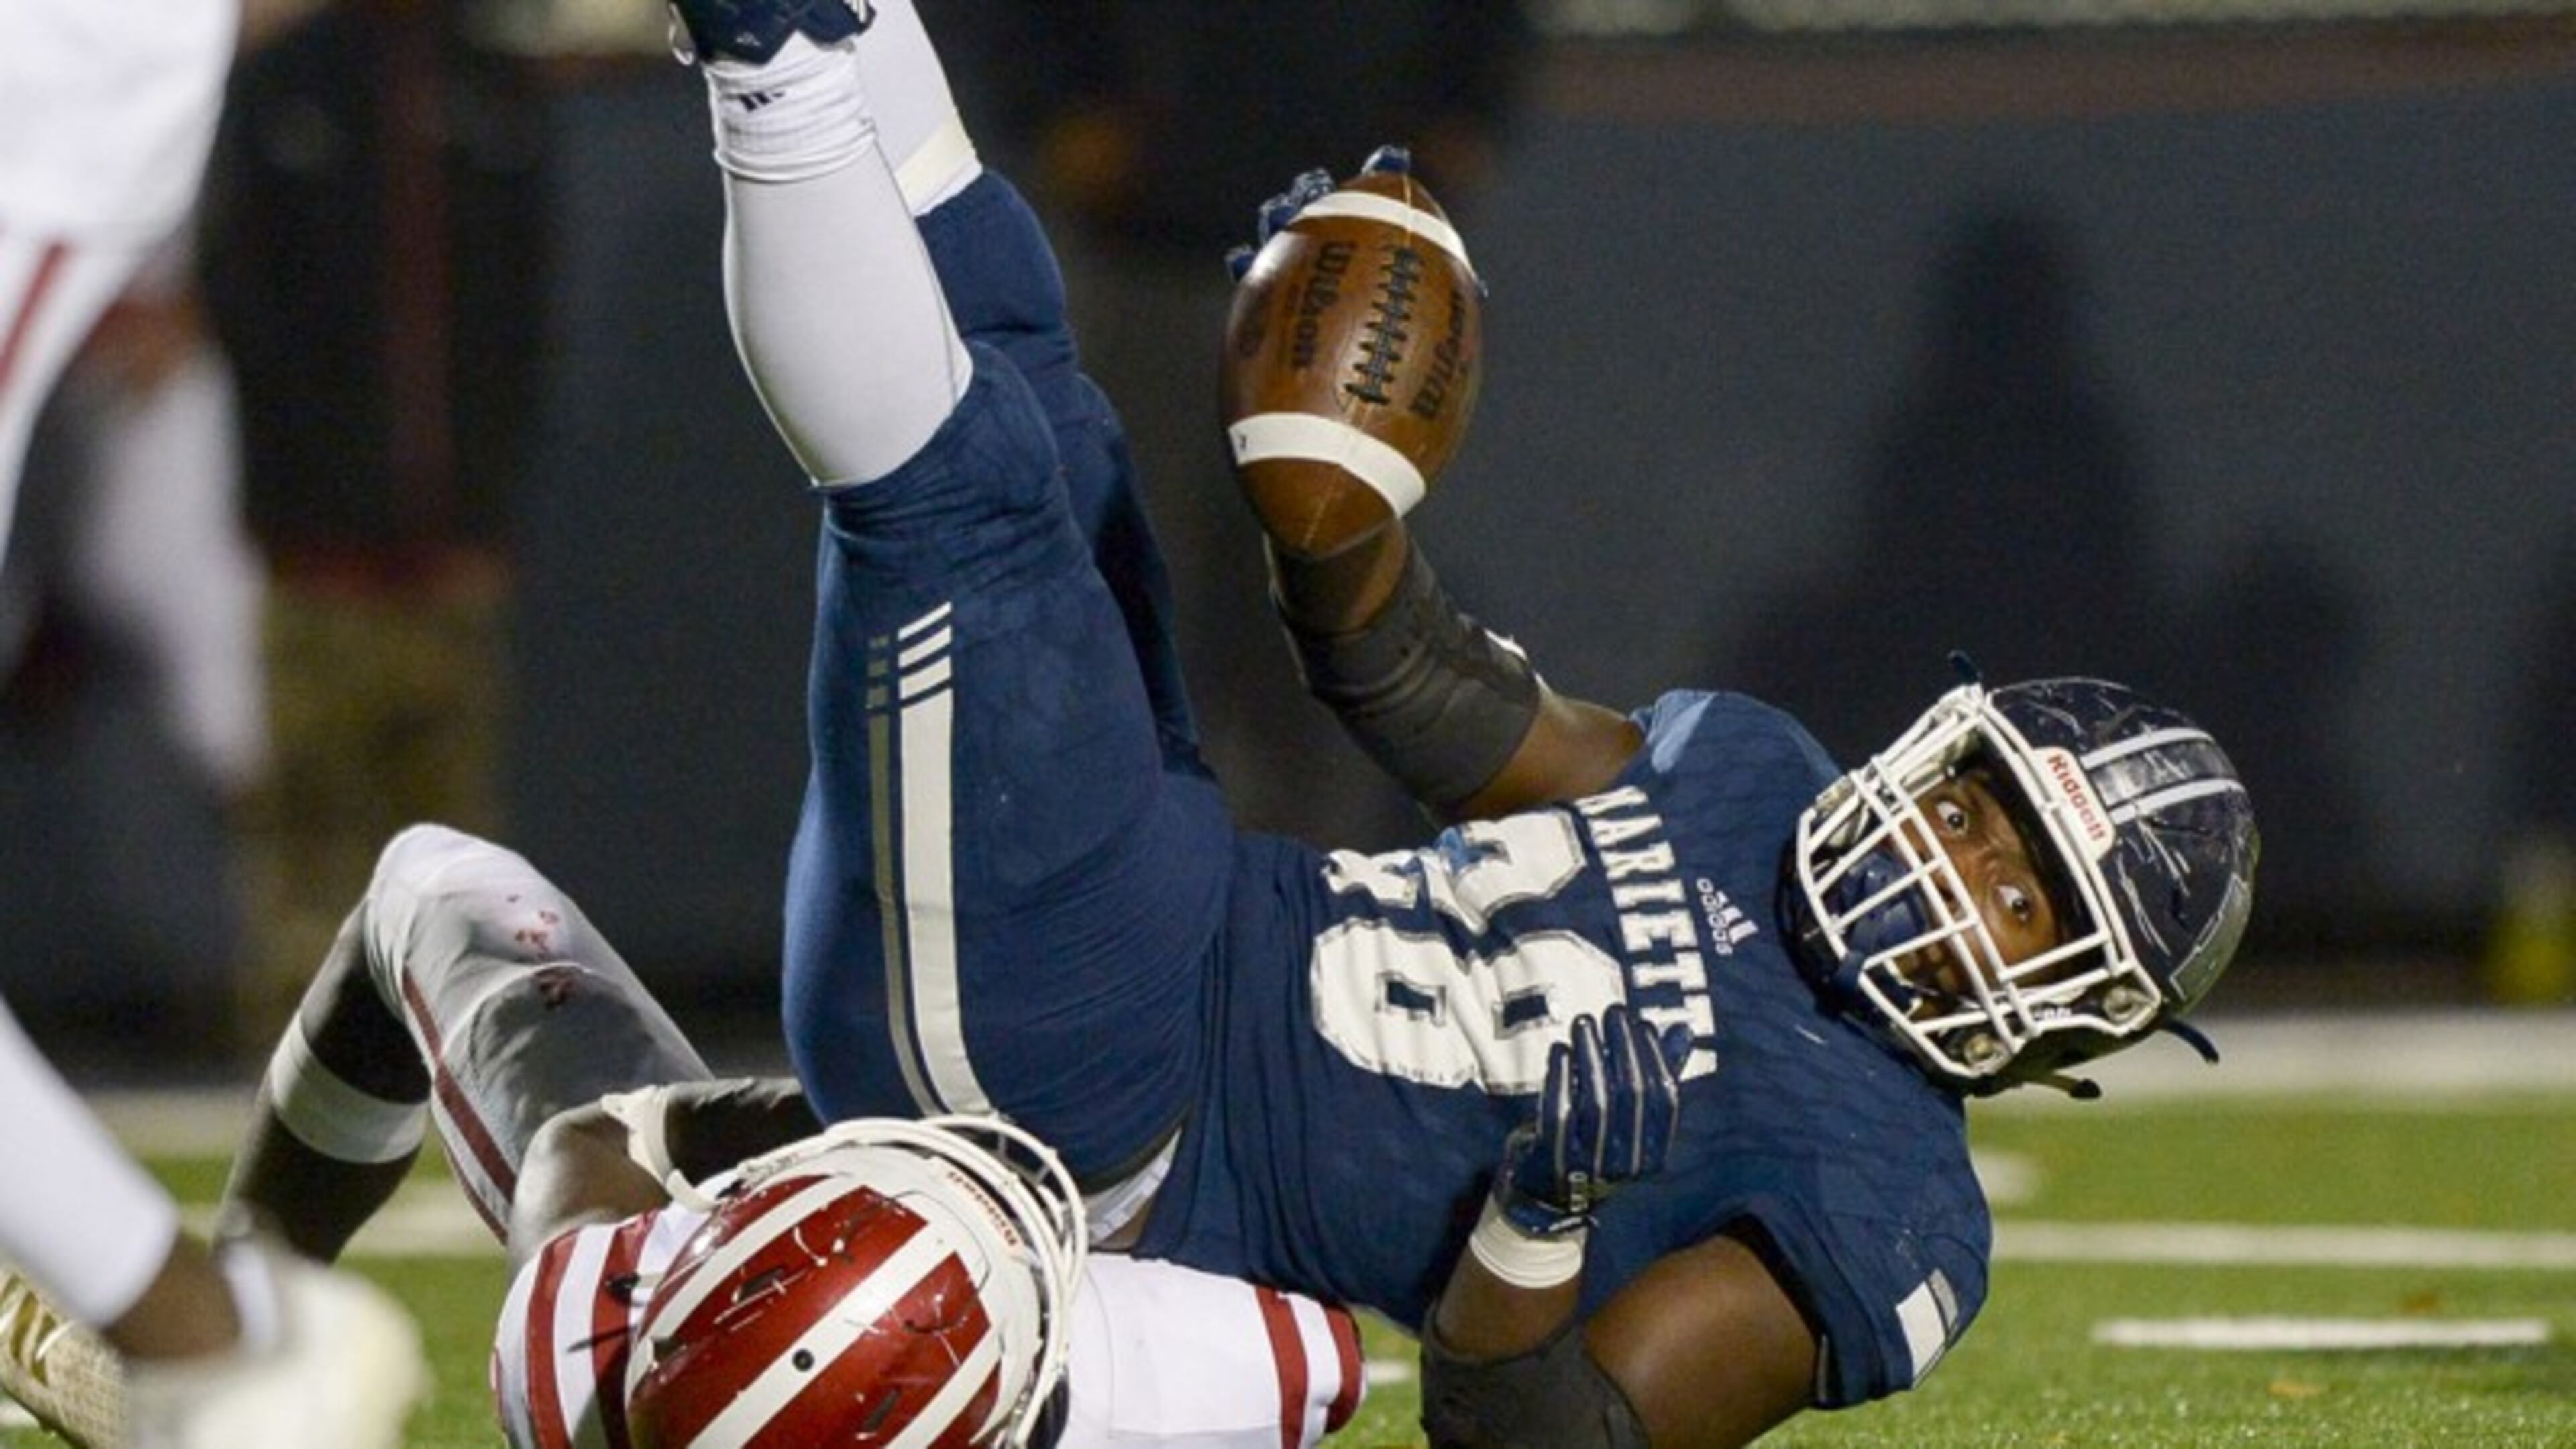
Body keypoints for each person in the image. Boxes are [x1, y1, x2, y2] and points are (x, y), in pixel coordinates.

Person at [665, 3, 2260, 1445]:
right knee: (1047, 402)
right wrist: (1330, 490)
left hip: (1100, 1097)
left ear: (2080, 1021)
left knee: (973, 504)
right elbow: (1412, 685)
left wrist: (1541, 1220)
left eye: (2025, 894)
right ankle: (839, 24)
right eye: (1986, 810)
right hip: (1182, 895)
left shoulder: (1886, 1208)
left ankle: (768, 67)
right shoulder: (1758, 777)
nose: (1959, 868)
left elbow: (1537, 1441)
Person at [2, 823, 1371, 1449]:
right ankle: (236, 1346)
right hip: (1031, 1188)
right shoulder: (1195, 1362)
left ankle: (238, 1325)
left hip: (862, 1192)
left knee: (443, 884)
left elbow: (600, 1136)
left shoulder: (585, 1340)